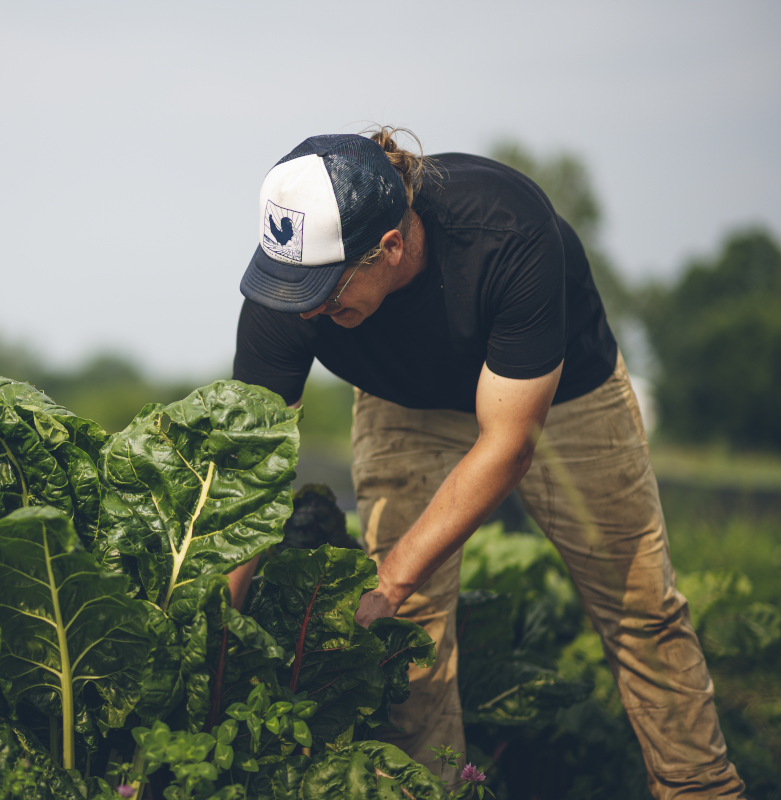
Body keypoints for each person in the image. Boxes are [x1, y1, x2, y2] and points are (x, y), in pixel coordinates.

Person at [227, 129, 745, 798]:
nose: (309, 308)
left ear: (390, 246)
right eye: (294, 288)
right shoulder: (289, 290)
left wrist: (388, 582)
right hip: (405, 399)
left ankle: (701, 788)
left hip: (558, 398)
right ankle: (431, 790)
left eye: (327, 289)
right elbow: (245, 470)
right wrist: (215, 619)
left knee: (640, 604)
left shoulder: (506, 232)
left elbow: (508, 447)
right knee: (409, 634)